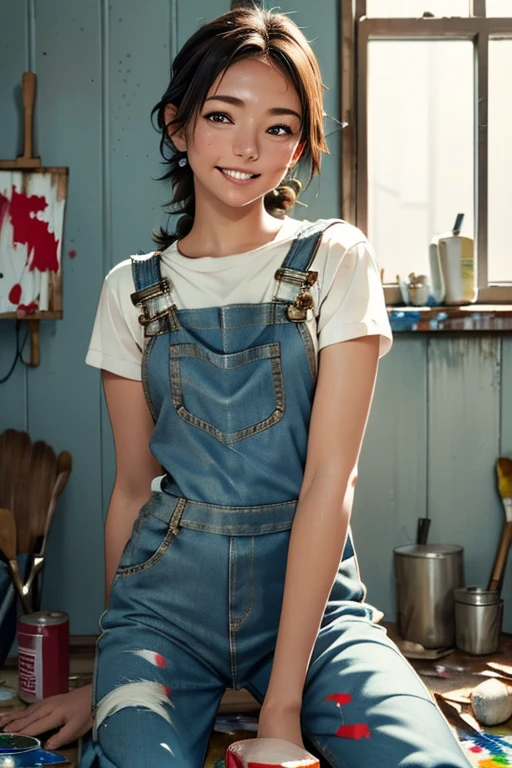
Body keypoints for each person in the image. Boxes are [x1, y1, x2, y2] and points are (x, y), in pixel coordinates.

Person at [0, 7, 471, 767]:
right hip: (164, 616)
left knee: (428, 762)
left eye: (281, 127)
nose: (251, 147)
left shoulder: (335, 260)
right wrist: (114, 672)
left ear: (300, 146)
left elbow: (329, 481)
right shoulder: (131, 291)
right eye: (223, 116)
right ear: (178, 126)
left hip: (315, 618)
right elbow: (131, 489)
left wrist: (281, 710)